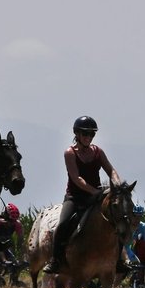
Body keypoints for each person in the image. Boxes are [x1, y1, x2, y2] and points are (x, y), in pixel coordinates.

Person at [41, 116, 121, 273]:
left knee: (119, 219)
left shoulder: (98, 152)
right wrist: (95, 191)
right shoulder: (70, 153)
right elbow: (77, 178)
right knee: (63, 224)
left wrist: (117, 184)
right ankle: (56, 260)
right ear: (76, 134)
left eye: (92, 134)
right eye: (85, 134)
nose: (88, 137)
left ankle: (119, 261)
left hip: (96, 197)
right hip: (75, 198)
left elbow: (111, 170)